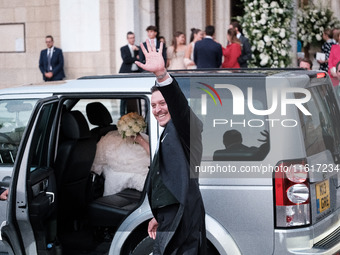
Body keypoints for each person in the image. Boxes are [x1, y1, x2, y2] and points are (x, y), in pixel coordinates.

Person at [135, 40, 206, 254]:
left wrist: (162, 75)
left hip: (183, 219)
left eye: (162, 103)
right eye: (153, 105)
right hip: (170, 217)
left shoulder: (186, 127)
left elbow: (180, 107)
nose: (157, 110)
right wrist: (159, 216)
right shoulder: (167, 131)